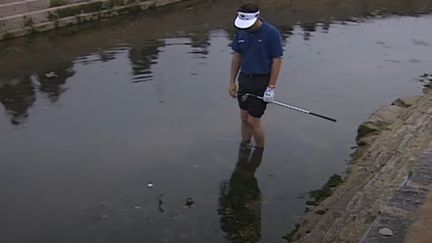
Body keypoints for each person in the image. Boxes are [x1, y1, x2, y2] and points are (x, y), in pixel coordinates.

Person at [229, 3, 283, 149]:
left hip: (262, 81)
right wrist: (232, 82)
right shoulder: (241, 32)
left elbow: (277, 60)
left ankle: (259, 150)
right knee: (244, 117)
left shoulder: (271, 33)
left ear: (257, 17)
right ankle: (245, 145)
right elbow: (237, 56)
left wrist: (271, 87)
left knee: (254, 121)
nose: (245, 28)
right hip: (245, 79)